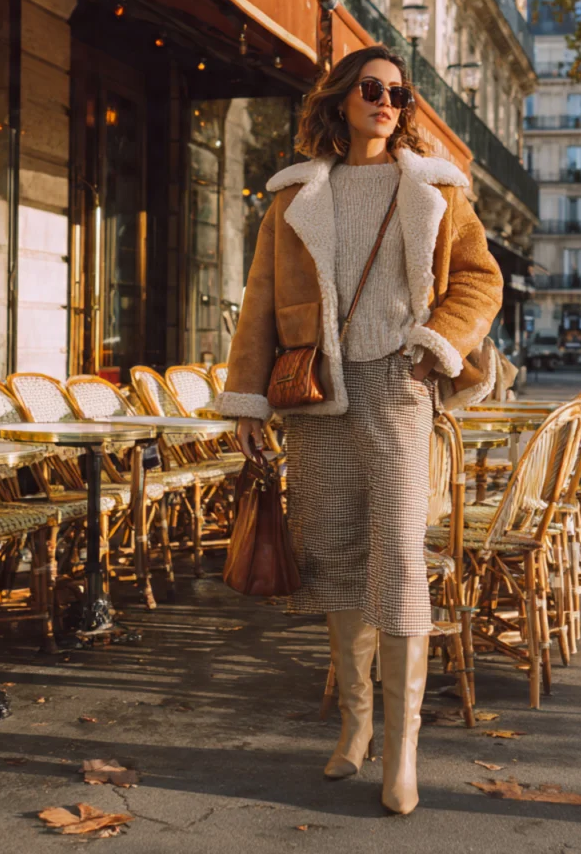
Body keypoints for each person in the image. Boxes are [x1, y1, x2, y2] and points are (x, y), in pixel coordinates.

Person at [215, 45, 503, 815]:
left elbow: (480, 279)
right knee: (335, 554)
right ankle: (355, 728)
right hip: (316, 395)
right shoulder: (295, 197)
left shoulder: (435, 190)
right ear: (340, 100)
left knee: (401, 561)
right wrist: (247, 402)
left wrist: (436, 342)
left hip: (400, 387)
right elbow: (260, 304)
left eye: (398, 93)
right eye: (371, 89)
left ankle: (403, 752)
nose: (386, 101)